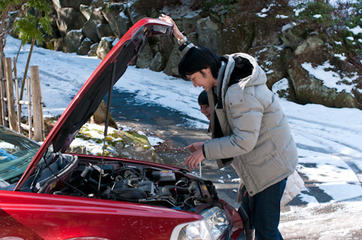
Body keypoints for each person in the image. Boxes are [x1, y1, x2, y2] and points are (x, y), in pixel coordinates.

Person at [159, 14, 298, 240]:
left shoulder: (240, 94)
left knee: (265, 229)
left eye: (195, 79)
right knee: (247, 220)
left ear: (206, 71)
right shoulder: (222, 70)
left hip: (270, 169)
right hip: (258, 162)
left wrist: (206, 150)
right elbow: (199, 56)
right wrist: (179, 38)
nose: (195, 85)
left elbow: (243, 141)